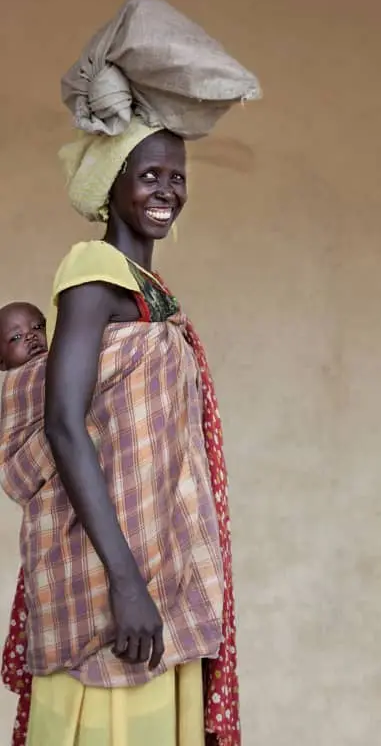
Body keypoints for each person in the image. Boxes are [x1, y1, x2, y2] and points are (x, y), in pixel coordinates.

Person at [0, 119, 240, 745]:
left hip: (162, 565)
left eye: (177, 177)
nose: (167, 190)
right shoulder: (92, 270)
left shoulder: (149, 292)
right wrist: (126, 583)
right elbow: (62, 423)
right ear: (113, 187)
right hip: (111, 578)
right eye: (150, 176)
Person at [0, 303, 47, 370]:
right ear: (1, 362)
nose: (30, 336)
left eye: (37, 327)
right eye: (17, 337)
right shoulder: (14, 380)